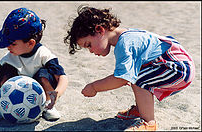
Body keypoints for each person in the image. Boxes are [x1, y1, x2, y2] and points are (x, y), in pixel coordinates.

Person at [64, 5, 195, 131]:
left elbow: (121, 79)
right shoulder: (126, 35)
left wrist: (94, 87)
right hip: (177, 65)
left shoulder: (124, 44)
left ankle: (149, 122)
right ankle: (141, 108)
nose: (91, 51)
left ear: (100, 30)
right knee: (136, 76)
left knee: (136, 78)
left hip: (178, 69)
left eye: (89, 45)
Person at [0, 7, 68, 121]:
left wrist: (57, 93)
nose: (8, 47)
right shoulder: (9, 58)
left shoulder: (43, 55)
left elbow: (62, 77)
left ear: (31, 43)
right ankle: (5, 106)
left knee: (43, 74)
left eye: (12, 43)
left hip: (41, 91)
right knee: (5, 74)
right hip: (18, 91)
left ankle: (47, 107)